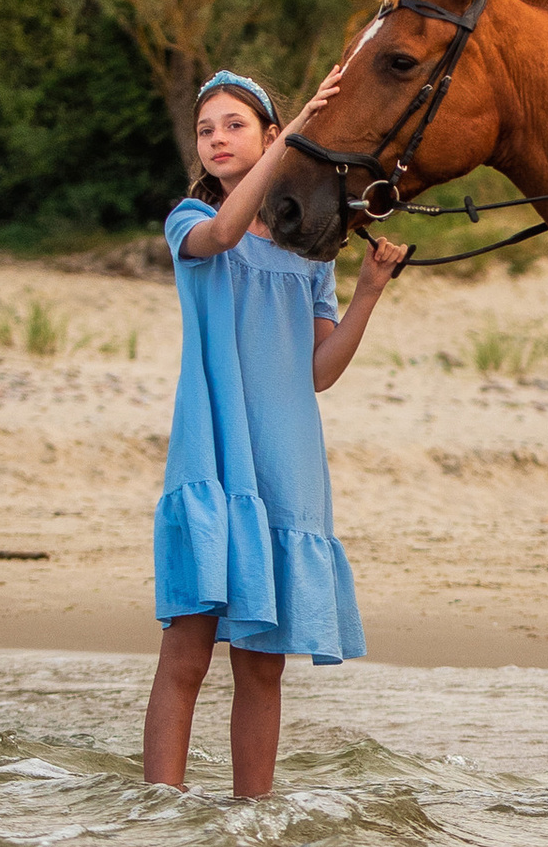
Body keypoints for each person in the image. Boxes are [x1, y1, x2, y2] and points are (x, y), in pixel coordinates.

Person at [143, 68, 405, 799]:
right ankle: (159, 809)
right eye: (207, 128)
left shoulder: (307, 249)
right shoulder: (189, 219)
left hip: (287, 465)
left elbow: (319, 370)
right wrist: (290, 139)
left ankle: (251, 816)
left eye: (234, 124)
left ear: (262, 133)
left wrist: (368, 293)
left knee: (263, 666)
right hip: (216, 452)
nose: (217, 138)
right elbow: (227, 232)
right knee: (186, 654)